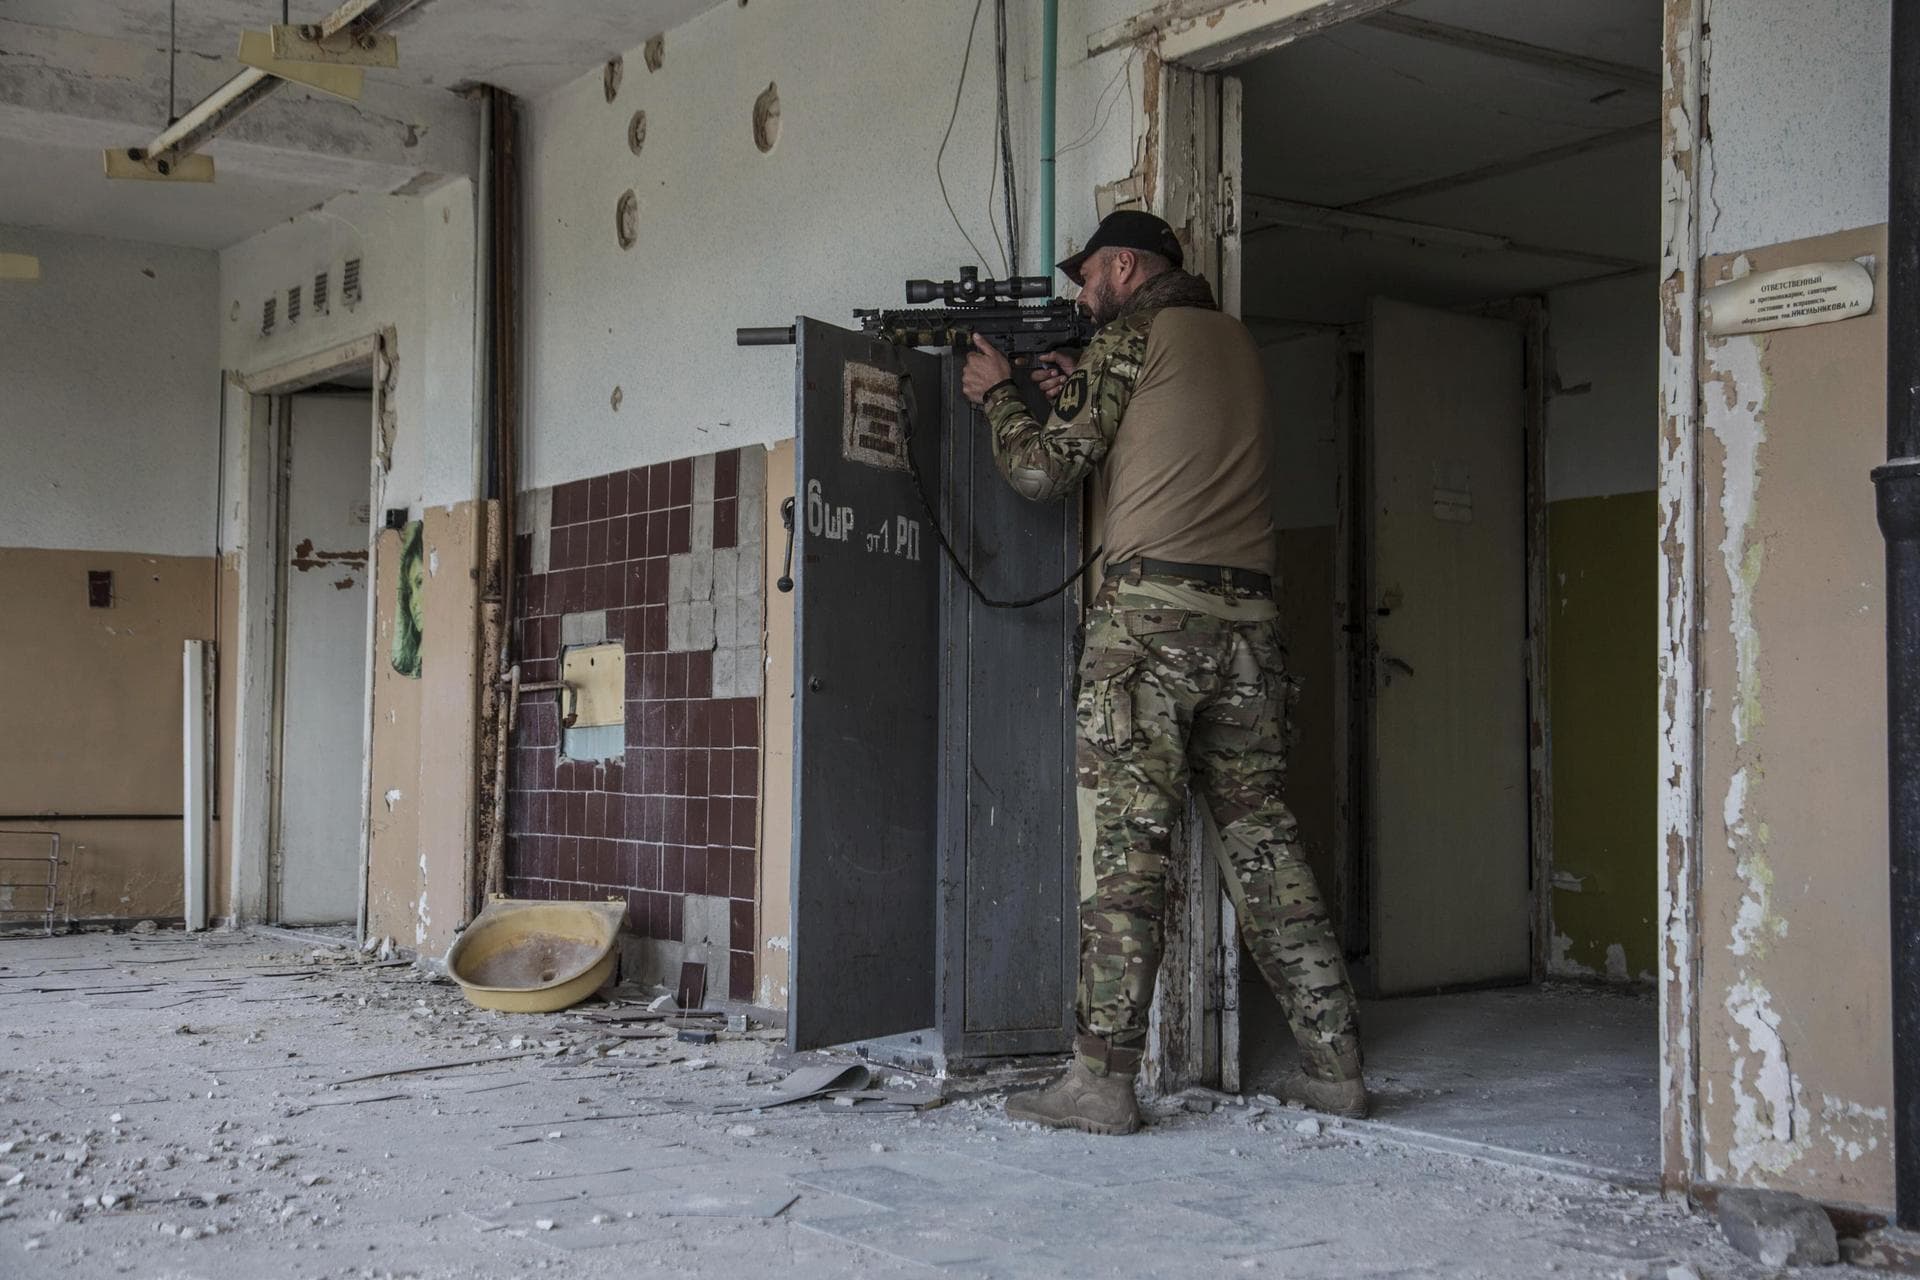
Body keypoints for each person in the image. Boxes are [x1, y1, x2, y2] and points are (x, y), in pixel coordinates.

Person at [960, 210, 1366, 1136]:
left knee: (1126, 855)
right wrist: (1070, 387)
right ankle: (1336, 1064)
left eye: (1089, 275)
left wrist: (999, 396)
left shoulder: (1134, 336)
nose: (1079, 293)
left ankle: (1101, 1082)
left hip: (1151, 626)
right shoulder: (1230, 344)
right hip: (1249, 627)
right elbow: (1162, 449)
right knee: (1264, 846)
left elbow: (1040, 475)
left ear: (1127, 266)